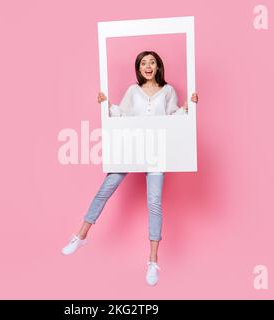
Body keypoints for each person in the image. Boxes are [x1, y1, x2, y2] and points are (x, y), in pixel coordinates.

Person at [61, 51, 199, 286]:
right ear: (138, 68)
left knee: (154, 202)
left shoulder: (168, 91)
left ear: (158, 67)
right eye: (143, 63)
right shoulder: (132, 91)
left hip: (156, 151)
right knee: (106, 188)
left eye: (152, 62)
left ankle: (153, 260)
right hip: (131, 147)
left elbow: (173, 116)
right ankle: (81, 235)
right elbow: (122, 114)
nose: (148, 66)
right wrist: (106, 104)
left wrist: (188, 108)